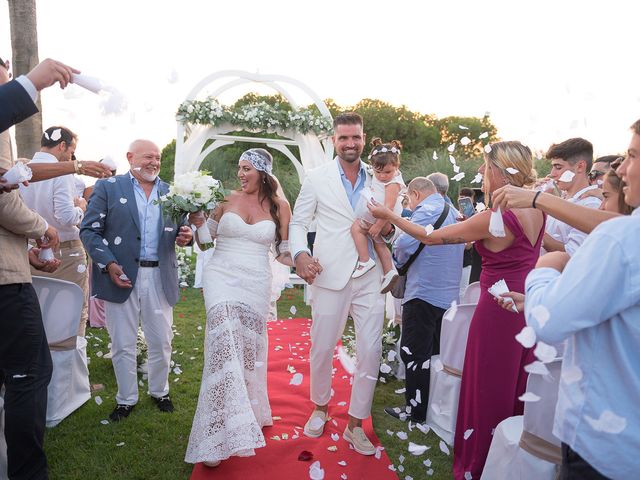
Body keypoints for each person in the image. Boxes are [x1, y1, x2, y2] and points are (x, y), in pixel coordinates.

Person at [369, 140, 545, 479]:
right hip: (527, 304)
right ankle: (510, 462)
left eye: (484, 165)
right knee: (516, 384)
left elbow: (430, 237)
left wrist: (391, 215)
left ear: (498, 169)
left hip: (496, 310)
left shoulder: (496, 217)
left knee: (487, 386)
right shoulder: (539, 210)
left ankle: (478, 464)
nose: (480, 172)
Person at [522, 119, 640, 479]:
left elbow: (547, 321)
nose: (623, 167)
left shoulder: (621, 237)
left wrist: (546, 267)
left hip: (607, 445)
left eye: (633, 155)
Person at [184, 148, 292, 467]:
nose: (241, 174)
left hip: (256, 280)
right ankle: (215, 432)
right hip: (221, 275)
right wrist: (198, 220)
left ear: (263, 172)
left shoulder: (280, 206)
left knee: (244, 351)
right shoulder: (225, 199)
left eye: (247, 169)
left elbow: (284, 252)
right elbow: (205, 241)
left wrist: (306, 262)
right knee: (222, 344)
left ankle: (243, 415)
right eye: (239, 168)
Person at [289, 112, 385, 456]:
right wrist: (300, 254)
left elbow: (390, 218)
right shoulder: (316, 178)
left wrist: (385, 227)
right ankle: (320, 407)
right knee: (322, 347)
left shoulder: (382, 176)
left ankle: (356, 423)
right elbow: (299, 222)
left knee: (371, 350)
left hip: (370, 274)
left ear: (363, 138)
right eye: (343, 138)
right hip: (328, 274)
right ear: (334, 141)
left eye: (355, 137)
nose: (350, 143)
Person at [80, 139, 192, 421]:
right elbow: (89, 231)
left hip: (160, 276)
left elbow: (182, 230)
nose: (154, 162)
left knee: (162, 340)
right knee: (122, 343)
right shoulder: (108, 188)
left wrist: (185, 235)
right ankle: (126, 398)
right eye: (148, 157)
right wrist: (109, 264)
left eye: (157, 158)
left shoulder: (172, 192)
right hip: (122, 276)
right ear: (130, 157)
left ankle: (160, 391)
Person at [383, 177, 463, 424]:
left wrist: (395, 253)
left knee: (415, 355)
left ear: (416, 194)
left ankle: (415, 412)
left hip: (424, 292)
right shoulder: (452, 209)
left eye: (408, 198)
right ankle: (431, 407)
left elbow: (405, 243)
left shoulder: (427, 209)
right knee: (436, 354)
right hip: (449, 294)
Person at [20, 126, 90, 334]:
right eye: (71, 151)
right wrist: (81, 207)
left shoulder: (22, 169)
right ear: (62, 146)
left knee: (38, 313)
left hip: (32, 252)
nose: (71, 156)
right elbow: (66, 217)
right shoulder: (63, 171)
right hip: (65, 253)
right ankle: (70, 363)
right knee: (74, 314)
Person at [350, 138, 404, 293]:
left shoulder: (393, 182)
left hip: (382, 215)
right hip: (378, 213)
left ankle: (365, 260)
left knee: (356, 228)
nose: (382, 176)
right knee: (378, 243)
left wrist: (378, 225)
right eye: (378, 172)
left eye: (387, 172)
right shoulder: (378, 174)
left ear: (396, 166)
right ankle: (389, 271)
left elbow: (389, 207)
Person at [543, 138, 601, 255]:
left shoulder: (591, 204)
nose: (552, 173)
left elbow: (574, 253)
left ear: (580, 167)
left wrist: (535, 231)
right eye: (553, 167)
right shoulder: (563, 198)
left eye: (558, 167)